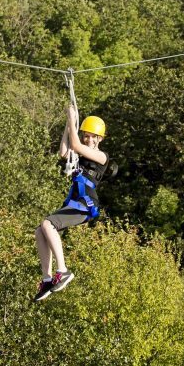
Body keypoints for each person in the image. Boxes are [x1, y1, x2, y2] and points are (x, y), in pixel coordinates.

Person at [33, 106, 110, 302]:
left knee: (48, 224)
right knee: (40, 230)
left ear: (100, 139)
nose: (89, 140)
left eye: (93, 137)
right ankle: (48, 279)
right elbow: (64, 151)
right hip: (76, 203)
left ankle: (63, 270)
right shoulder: (80, 155)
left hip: (86, 205)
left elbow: (74, 146)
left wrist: (71, 117)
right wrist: (69, 124)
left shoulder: (102, 157)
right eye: (86, 136)